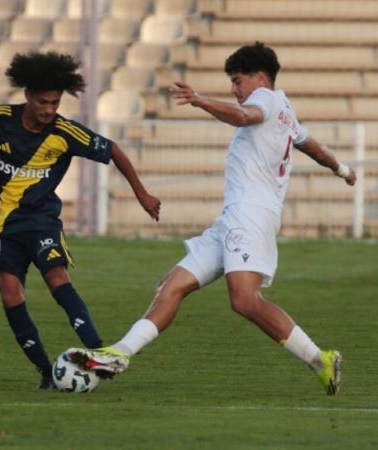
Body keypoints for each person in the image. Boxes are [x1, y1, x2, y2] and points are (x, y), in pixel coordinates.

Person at [68, 42, 356, 395]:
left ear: (259, 77)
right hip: (233, 219)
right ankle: (120, 353)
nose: (234, 90)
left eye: (237, 81)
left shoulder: (264, 99)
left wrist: (201, 100)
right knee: (172, 285)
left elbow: (245, 116)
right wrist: (342, 169)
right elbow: (313, 147)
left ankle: (320, 360)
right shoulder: (287, 112)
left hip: (249, 215)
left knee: (244, 300)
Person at [0, 52, 161, 389]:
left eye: (55, 102)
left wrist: (142, 194)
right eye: (43, 102)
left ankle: (101, 353)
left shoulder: (65, 132)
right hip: (4, 226)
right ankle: (47, 372)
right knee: (9, 294)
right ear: (28, 96)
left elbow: (113, 149)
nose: (49, 109)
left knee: (57, 278)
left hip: (43, 221)